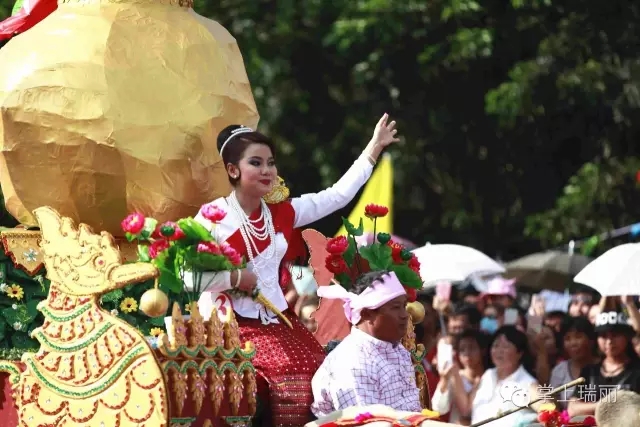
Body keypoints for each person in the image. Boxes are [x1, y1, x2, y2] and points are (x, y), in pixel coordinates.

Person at [190, 114, 400, 427]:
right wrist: (235, 277)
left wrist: (373, 148)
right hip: (231, 322)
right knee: (292, 374)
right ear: (233, 170)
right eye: (256, 163)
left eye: (271, 163)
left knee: (323, 368)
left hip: (277, 318)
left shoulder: (281, 212)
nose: (267, 170)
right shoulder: (212, 217)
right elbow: (189, 278)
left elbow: (336, 196)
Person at [310, 271, 422, 417]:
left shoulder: (398, 350)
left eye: (403, 306)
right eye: (396, 307)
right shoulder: (352, 362)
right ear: (366, 314)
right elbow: (366, 422)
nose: (405, 315)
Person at [568, 309, 640, 418]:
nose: (609, 341)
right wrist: (607, 405)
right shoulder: (590, 371)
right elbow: (573, 409)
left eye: (615, 335)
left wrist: (589, 407)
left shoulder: (636, 371)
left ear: (627, 337)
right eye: (603, 336)